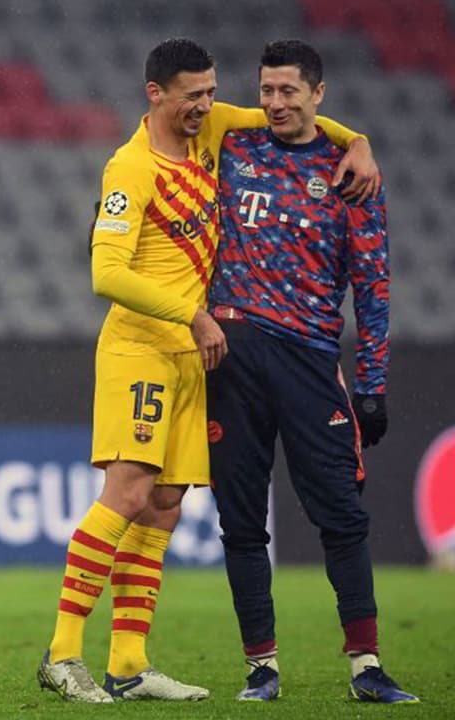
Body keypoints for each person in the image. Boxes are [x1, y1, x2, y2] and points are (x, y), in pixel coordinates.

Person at [36, 37, 379, 703]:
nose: (206, 106)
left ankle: (130, 665)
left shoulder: (210, 129)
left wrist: (356, 140)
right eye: (192, 96)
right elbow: (106, 271)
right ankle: (62, 654)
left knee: (164, 507)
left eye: (210, 93)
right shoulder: (129, 169)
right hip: (141, 348)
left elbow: (293, 120)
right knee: (130, 493)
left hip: (192, 357)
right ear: (155, 94)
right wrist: (192, 315)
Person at [207, 40, 418, 704]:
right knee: (240, 520)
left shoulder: (350, 175)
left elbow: (374, 287)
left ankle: (366, 666)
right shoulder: (233, 149)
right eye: (266, 90)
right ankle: (260, 669)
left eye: (288, 91)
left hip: (308, 358)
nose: (274, 103)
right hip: (232, 358)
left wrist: (373, 383)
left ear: (317, 94)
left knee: (342, 517)